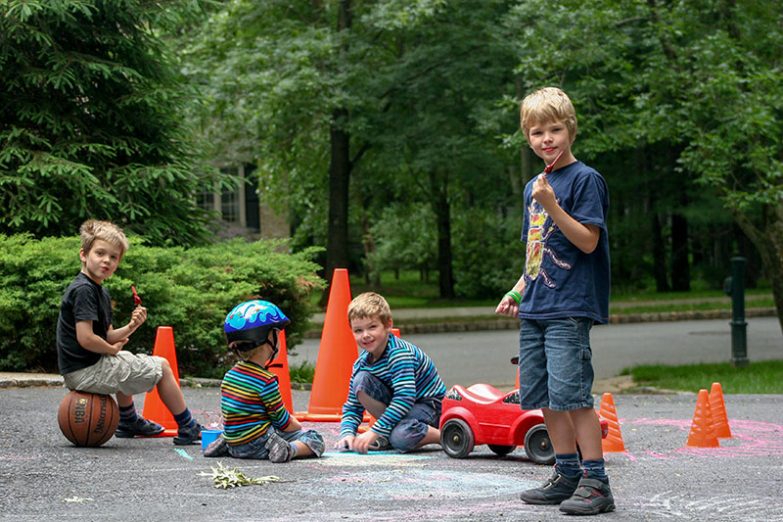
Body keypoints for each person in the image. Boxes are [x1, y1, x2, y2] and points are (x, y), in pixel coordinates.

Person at [495, 87, 614, 515]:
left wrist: (551, 204)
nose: (546, 139)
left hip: (570, 306)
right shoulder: (534, 186)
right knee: (544, 394)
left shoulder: (584, 180)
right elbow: (537, 252)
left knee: (573, 395)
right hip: (537, 306)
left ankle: (596, 481)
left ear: (571, 130)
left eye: (555, 129)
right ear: (527, 138)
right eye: (537, 132)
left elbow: (586, 242)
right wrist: (517, 290)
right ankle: (565, 474)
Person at [56, 219, 202, 445]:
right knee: (162, 366)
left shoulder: (99, 290)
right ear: (84, 255)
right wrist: (110, 350)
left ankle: (127, 420)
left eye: (113, 257)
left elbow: (108, 336)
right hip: (84, 370)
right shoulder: (84, 290)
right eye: (100, 253)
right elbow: (86, 338)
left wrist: (132, 326)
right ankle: (187, 426)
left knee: (126, 358)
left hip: (83, 367)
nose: (106, 260)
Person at [203, 299, 324, 461]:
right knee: (314, 438)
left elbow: (234, 415)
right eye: (276, 334)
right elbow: (283, 423)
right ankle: (288, 450)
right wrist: (297, 425)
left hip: (235, 444)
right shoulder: (265, 381)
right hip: (258, 444)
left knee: (250, 426)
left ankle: (224, 442)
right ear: (268, 339)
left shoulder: (230, 376)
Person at [334, 292, 446, 454]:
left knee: (400, 437)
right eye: (358, 330)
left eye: (372, 327)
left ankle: (444, 435)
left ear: (387, 325)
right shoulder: (361, 363)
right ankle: (389, 431)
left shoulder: (399, 354)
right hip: (402, 407)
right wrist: (347, 434)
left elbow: (404, 398)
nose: (365, 335)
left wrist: (375, 431)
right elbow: (352, 407)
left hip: (429, 406)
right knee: (361, 380)